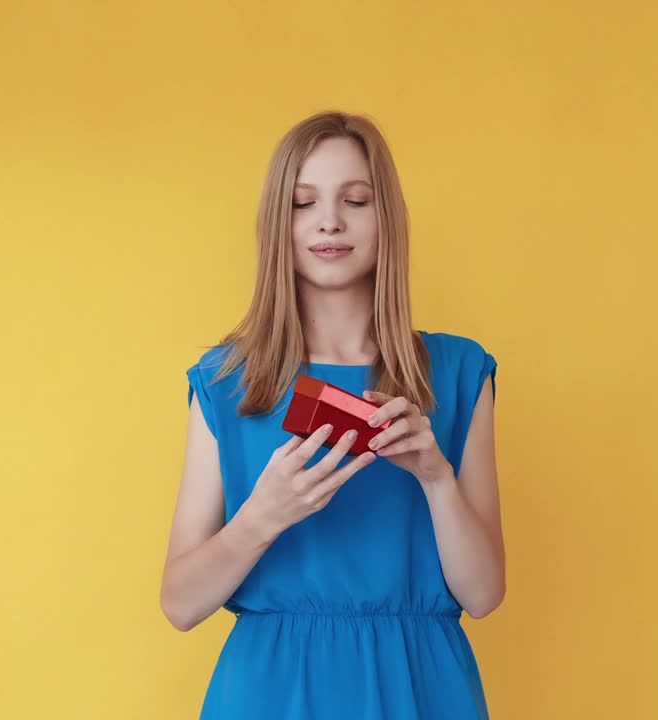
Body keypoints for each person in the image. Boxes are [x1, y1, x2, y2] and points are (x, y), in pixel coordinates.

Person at [160, 110, 504, 719]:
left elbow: (483, 596)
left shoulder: (457, 372)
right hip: (272, 690)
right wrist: (263, 516)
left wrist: (435, 477)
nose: (329, 221)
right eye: (303, 202)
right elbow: (180, 605)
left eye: (356, 200)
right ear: (278, 222)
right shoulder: (226, 381)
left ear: (385, 218)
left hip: (421, 687)